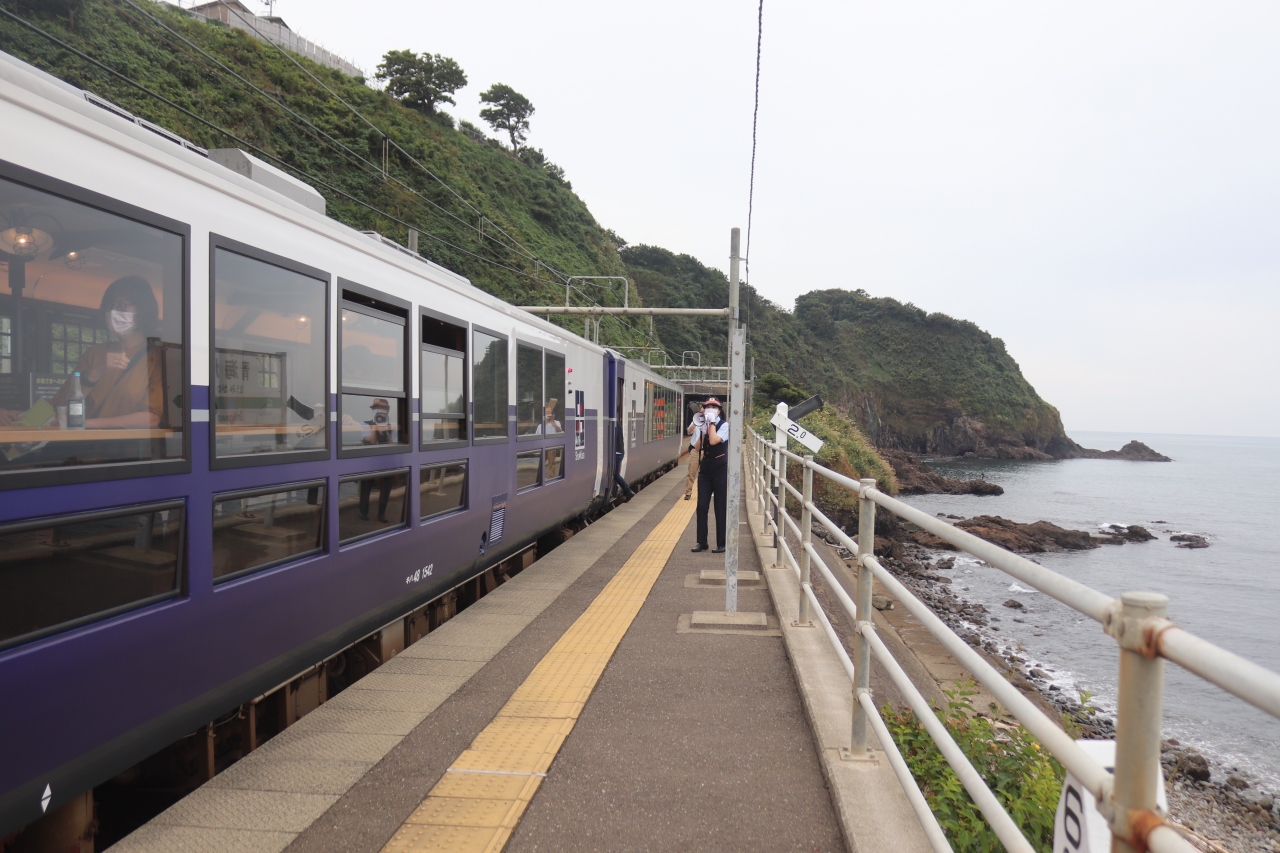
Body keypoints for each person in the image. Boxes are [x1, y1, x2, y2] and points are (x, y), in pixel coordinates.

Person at [39, 276, 166, 429]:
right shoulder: (95, 353)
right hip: (84, 443)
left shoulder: (157, 357)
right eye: (109, 306)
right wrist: (94, 374)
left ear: (143, 310)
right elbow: (61, 404)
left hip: (128, 443)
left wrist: (87, 424)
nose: (113, 312)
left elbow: (153, 418)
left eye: (121, 306)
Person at [692, 396, 730, 553]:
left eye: (714, 407)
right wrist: (702, 430)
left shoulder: (725, 425)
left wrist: (712, 423)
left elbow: (714, 441)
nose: (710, 410)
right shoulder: (704, 424)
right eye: (708, 407)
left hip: (720, 468)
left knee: (720, 507)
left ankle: (722, 543)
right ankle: (702, 542)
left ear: (719, 411)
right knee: (701, 506)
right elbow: (696, 448)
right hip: (706, 469)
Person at [358, 398, 394, 522]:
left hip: (385, 460)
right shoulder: (365, 424)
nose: (378, 410)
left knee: (386, 486)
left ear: (387, 411)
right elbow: (371, 441)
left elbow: (393, 444)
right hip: (369, 460)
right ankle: (363, 512)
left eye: (382, 408)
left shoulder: (390, 426)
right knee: (366, 485)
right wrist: (374, 428)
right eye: (375, 408)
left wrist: (386, 432)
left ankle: (381, 514)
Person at [684, 400, 705, 501]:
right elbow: (689, 431)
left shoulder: (712, 422)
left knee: (705, 474)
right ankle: (688, 492)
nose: (704, 410)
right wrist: (696, 422)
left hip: (706, 451)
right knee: (692, 471)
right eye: (703, 408)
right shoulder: (696, 419)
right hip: (695, 451)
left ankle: (704, 492)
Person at [612, 412, 635, 501]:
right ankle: (627, 492)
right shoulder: (617, 423)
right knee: (616, 474)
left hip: (617, 453)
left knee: (616, 475)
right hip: (619, 452)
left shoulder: (615, 424)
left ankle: (628, 491)